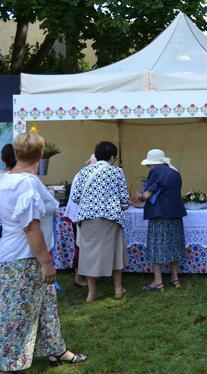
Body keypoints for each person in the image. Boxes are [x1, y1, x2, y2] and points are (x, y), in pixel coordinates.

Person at [0, 133, 87, 372]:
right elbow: (30, 226)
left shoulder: (5, 180)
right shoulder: (27, 183)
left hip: (13, 253)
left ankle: (57, 351)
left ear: (16, 153)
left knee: (46, 306)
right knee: (17, 313)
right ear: (41, 155)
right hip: (25, 257)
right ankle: (9, 364)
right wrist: (45, 263)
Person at [71, 141, 129, 303]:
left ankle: (91, 293)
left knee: (89, 254)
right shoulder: (116, 172)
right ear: (112, 157)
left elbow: (75, 197)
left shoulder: (84, 172)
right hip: (111, 216)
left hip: (88, 217)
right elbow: (124, 198)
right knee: (116, 251)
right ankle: (118, 289)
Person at [137, 149, 187, 292]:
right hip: (175, 213)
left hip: (160, 214)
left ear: (154, 163)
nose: (148, 168)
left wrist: (139, 196)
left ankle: (158, 282)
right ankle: (175, 278)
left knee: (156, 246)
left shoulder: (156, 172)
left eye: (149, 165)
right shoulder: (175, 172)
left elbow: (147, 195)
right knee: (174, 244)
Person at [64, 154, 97, 288]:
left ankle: (84, 276)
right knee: (81, 247)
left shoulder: (82, 173)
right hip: (81, 215)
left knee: (82, 246)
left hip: (79, 214)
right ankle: (79, 277)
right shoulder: (88, 174)